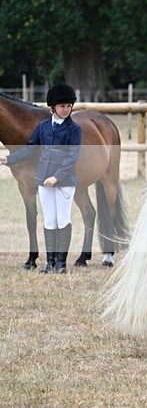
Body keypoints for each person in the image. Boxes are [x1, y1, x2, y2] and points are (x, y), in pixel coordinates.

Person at [0, 83, 82, 274]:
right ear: (53, 107)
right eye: (62, 106)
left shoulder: (74, 129)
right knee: (49, 221)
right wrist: (9, 159)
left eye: (69, 106)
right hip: (44, 179)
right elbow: (31, 149)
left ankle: (61, 263)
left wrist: (57, 177)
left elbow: (73, 156)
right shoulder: (43, 127)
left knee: (62, 219)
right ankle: (50, 262)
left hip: (65, 181)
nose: (66, 109)